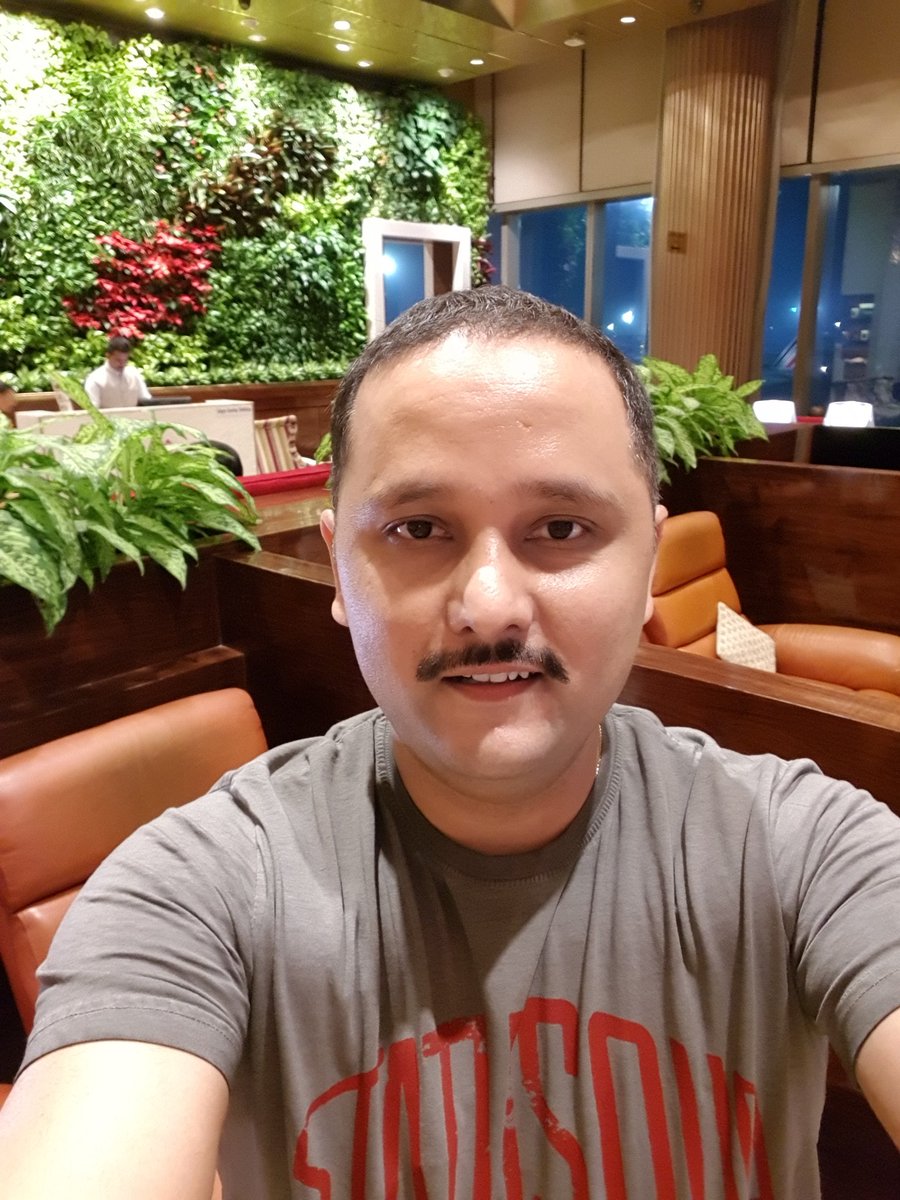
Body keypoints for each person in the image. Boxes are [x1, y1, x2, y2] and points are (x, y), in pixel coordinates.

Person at [1, 286, 899, 1199]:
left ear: (645, 567)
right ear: (339, 567)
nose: (490, 605)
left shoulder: (807, 849)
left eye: (561, 528)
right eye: (419, 529)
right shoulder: (196, 890)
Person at [83, 334, 151, 408]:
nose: (122, 364)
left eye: (125, 360)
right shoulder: (95, 379)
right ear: (108, 356)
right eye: (118, 360)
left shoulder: (134, 374)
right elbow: (92, 409)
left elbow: (146, 400)